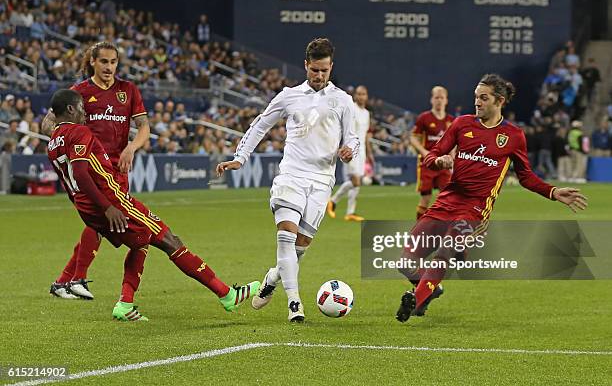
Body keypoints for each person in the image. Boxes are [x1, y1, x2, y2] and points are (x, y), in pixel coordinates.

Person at [47, 89, 260, 320]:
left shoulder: (53, 142)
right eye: (80, 107)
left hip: (87, 208)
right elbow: (80, 172)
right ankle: (227, 294)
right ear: (70, 109)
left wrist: (89, 211)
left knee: (141, 242)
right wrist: (107, 207)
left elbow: (72, 183)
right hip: (113, 201)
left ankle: (125, 304)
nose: (84, 112)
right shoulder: (78, 131)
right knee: (169, 239)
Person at [395, 74, 587, 323]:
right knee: (406, 262)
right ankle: (431, 289)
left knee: (445, 251)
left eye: (483, 98)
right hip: (447, 201)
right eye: (476, 97)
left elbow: (526, 177)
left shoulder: (514, 136)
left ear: (499, 101)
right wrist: (439, 160)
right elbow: (432, 154)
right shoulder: (462, 124)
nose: (477, 102)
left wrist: (553, 192)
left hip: (475, 210)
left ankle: (416, 299)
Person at [216, 38, 359, 322]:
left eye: (324, 71)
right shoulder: (288, 96)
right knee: (285, 236)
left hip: (321, 182)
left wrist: (349, 151)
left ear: (331, 68)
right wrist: (240, 157)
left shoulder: (342, 100)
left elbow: (352, 137)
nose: (319, 76)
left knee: (299, 248)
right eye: (314, 70)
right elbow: (260, 125)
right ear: (306, 66)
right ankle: (295, 303)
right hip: (291, 176)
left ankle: (271, 278)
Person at [42, 42, 150, 300]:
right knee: (102, 220)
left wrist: (132, 148)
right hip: (92, 169)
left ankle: (64, 281)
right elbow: (48, 122)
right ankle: (77, 278)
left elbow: (144, 127)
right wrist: (69, 139)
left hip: (119, 169)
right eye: (104, 62)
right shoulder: (79, 92)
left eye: (113, 62)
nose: (109, 67)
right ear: (92, 62)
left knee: (100, 224)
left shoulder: (128, 90)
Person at [327, 85, 374, 222]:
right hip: (350, 149)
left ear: (366, 96)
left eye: (363, 94)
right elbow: (342, 127)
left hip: (362, 151)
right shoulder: (350, 108)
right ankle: (333, 201)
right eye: (358, 94)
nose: (361, 96)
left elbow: (365, 135)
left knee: (357, 181)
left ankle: (350, 212)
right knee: (356, 181)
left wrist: (369, 152)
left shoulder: (366, 113)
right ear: (355, 95)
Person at [409, 86, 454, 219]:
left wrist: (452, 158)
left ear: (446, 100)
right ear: (431, 100)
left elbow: (453, 142)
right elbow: (413, 137)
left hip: (444, 165)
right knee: (426, 198)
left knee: (447, 198)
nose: (439, 100)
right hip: (427, 164)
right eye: (436, 97)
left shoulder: (451, 120)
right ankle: (419, 231)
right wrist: (424, 152)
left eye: (442, 98)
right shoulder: (424, 118)